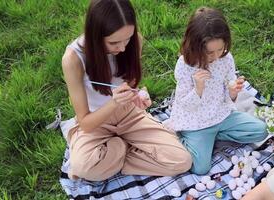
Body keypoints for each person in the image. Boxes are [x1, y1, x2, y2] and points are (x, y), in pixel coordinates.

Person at [60, 0, 192, 181]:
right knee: (83, 168)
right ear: (95, 36)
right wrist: (114, 102)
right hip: (96, 120)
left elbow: (129, 83)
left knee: (181, 161)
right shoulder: (73, 59)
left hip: (128, 113)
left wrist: (135, 95)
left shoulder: (134, 41)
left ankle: (116, 153)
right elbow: (85, 124)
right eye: (114, 42)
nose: (122, 48)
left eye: (127, 39)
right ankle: (123, 146)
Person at [163, 7, 267, 175]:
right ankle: (187, 137)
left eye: (220, 49)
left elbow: (228, 92)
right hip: (196, 122)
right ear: (196, 46)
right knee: (200, 168)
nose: (217, 56)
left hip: (221, 114)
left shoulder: (225, 58)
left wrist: (233, 91)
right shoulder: (185, 65)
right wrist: (198, 88)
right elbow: (185, 105)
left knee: (260, 130)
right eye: (210, 52)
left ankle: (213, 137)